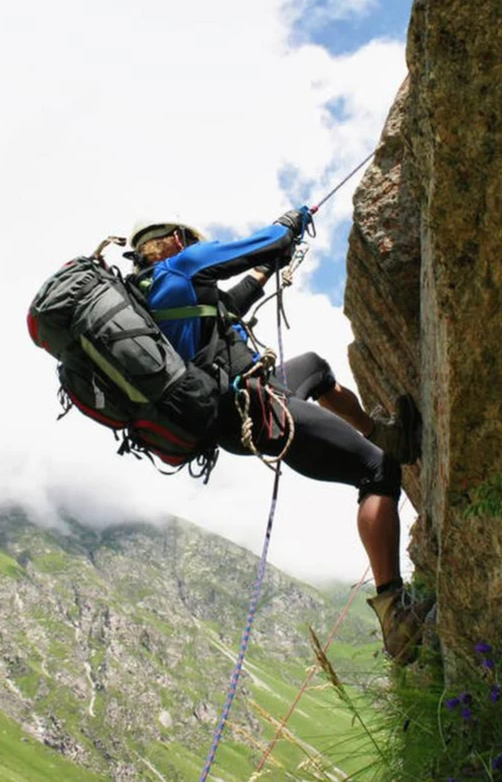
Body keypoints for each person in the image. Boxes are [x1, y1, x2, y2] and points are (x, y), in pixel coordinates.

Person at [128, 212, 426, 663]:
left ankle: (383, 434)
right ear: (175, 239)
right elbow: (261, 241)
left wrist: (267, 268)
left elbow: (232, 305)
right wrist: (291, 224)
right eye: (189, 241)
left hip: (241, 408)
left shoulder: (153, 300)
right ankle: (394, 611)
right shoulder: (179, 268)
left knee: (313, 366)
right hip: (258, 410)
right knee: (377, 471)